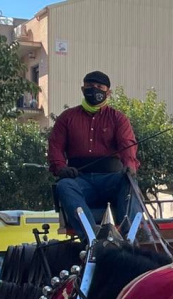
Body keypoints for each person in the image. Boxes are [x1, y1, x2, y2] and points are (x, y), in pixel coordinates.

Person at [48, 70, 142, 235]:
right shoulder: (66, 118)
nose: (94, 90)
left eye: (99, 86)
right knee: (64, 185)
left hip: (111, 180)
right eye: (90, 86)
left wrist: (130, 165)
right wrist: (60, 167)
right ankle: (91, 239)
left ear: (108, 92)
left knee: (129, 182)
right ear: (83, 89)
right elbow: (55, 146)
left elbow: (127, 144)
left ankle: (131, 237)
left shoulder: (118, 118)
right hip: (80, 180)